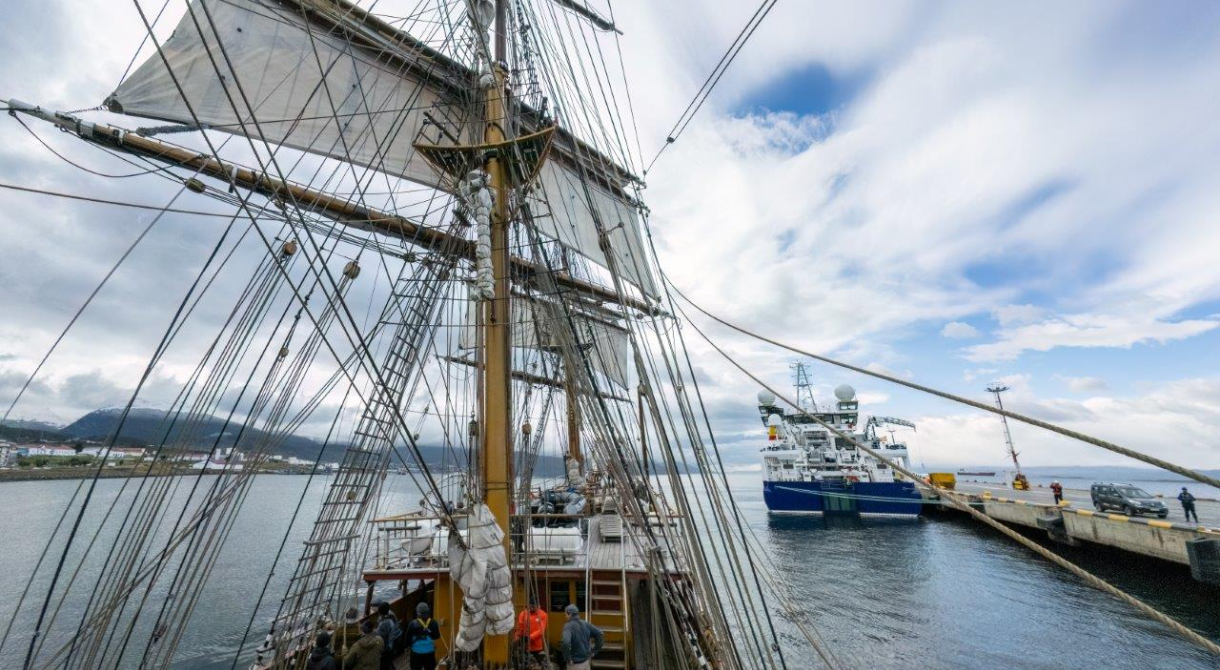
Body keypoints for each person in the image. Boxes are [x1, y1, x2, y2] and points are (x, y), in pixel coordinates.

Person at [560, 604, 603, 670]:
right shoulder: (586, 624)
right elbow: (600, 634)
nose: (565, 616)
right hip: (586, 663)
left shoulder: (568, 626)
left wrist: (568, 658)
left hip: (574, 665)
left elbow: (565, 642)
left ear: (570, 614)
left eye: (566, 614)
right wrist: (594, 651)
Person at [403, 602, 441, 670]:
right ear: (428, 612)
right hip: (430, 652)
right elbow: (437, 636)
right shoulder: (434, 622)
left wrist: (406, 647)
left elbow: (407, 640)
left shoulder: (412, 624)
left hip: (416, 653)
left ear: (417, 613)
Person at [515, 599, 549, 665]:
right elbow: (520, 628)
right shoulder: (523, 614)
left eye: (533, 607)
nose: (531, 608)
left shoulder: (543, 615)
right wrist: (517, 638)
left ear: (538, 606)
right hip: (525, 646)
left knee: (537, 665)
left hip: (537, 647)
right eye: (530, 606)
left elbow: (541, 630)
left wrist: (530, 637)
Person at [374, 601, 402, 670]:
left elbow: (379, 636)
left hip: (389, 645)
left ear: (380, 612)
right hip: (396, 640)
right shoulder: (391, 615)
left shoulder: (385, 623)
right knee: (388, 660)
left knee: (384, 662)